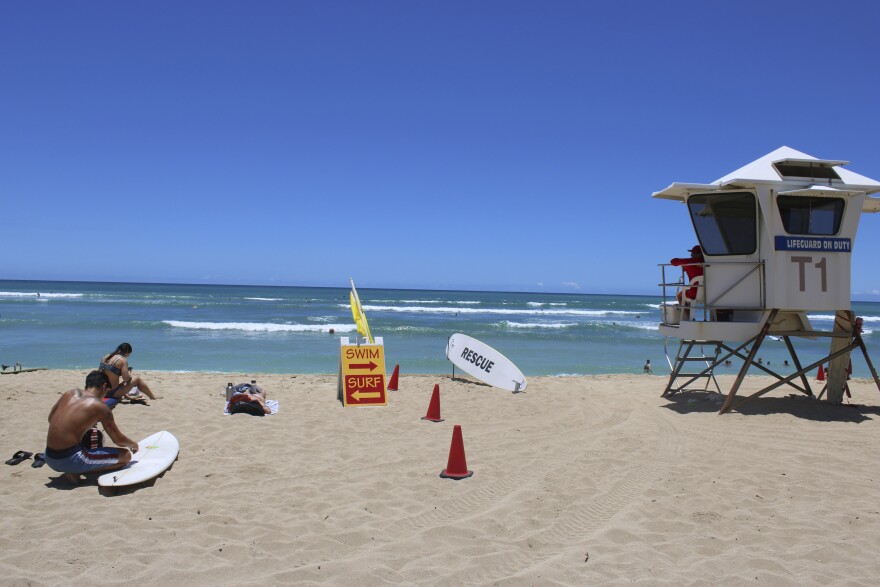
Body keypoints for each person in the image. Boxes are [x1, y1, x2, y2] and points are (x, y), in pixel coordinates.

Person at [44, 370, 139, 485]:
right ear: (104, 386)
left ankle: (73, 467)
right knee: (126, 456)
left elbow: (50, 419)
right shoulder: (100, 406)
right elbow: (118, 440)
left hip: (49, 457)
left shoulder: (69, 393)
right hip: (69, 459)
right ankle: (75, 471)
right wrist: (133, 444)